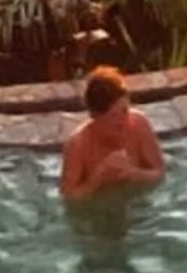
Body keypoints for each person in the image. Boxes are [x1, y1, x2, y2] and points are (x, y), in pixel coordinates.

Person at [59, 65, 167, 204]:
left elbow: (160, 173)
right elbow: (68, 198)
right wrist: (98, 178)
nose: (123, 120)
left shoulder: (139, 125)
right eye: (115, 115)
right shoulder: (77, 145)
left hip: (136, 207)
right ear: (95, 116)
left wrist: (133, 174)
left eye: (125, 110)